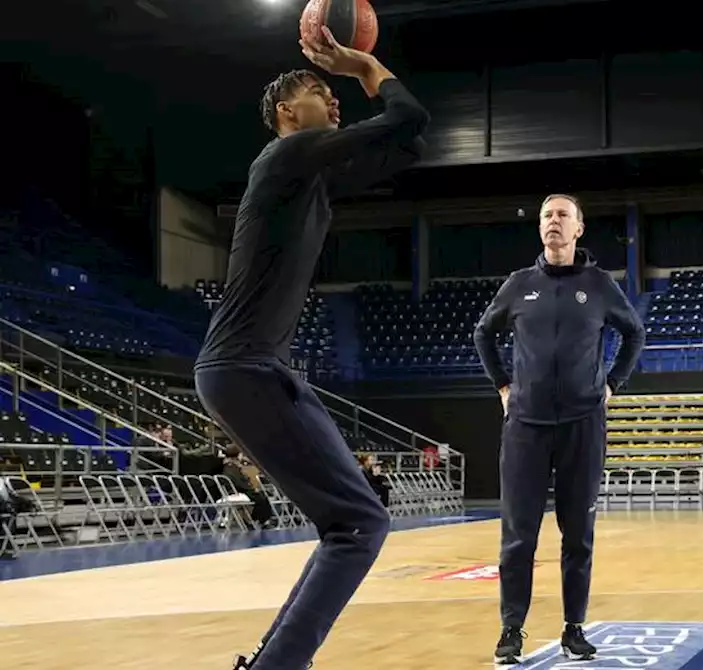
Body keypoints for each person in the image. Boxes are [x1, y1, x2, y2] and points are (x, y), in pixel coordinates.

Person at [193, 27, 429, 670]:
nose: (334, 102)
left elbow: (410, 143)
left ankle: (271, 662)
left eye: (334, 93)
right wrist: (363, 65)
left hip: (250, 368)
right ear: (284, 114)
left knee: (348, 525)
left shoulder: (308, 179)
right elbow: (408, 113)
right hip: (246, 368)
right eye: (319, 92)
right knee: (361, 524)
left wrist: (363, 82)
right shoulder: (283, 158)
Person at [473, 193, 645, 665]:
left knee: (579, 535)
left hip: (582, 424)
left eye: (562, 216)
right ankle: (511, 630)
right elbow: (483, 333)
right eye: (547, 215)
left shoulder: (599, 285)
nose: (553, 222)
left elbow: (635, 333)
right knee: (518, 536)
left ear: (578, 229)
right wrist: (503, 386)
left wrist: (613, 383)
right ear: (541, 228)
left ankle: (574, 629)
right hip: (525, 426)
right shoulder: (518, 284)